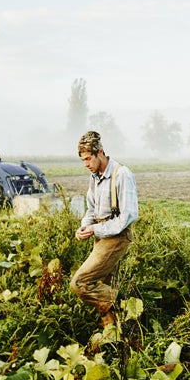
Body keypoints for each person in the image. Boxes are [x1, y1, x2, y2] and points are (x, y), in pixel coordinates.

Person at [70, 131, 139, 331]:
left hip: (117, 236)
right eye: (83, 160)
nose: (86, 164)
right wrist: (85, 226)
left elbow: (128, 216)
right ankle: (115, 334)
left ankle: (126, 306)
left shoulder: (121, 174)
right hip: (101, 235)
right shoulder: (94, 177)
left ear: (100, 152)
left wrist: (95, 229)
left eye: (88, 159)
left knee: (80, 283)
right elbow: (91, 210)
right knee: (103, 284)